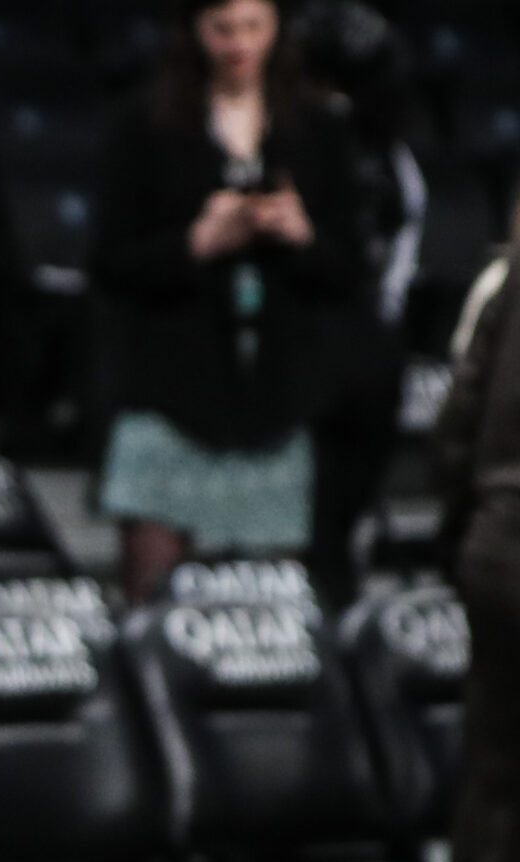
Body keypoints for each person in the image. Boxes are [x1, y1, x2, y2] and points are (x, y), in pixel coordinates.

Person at [350, 213, 520, 862]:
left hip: (499, 553)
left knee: (492, 849)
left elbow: (452, 436)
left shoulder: (502, 278)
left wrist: (476, 546)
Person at [92, 0, 366, 602]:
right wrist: (196, 242)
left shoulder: (318, 126)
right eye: (222, 29)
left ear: (276, 31)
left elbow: (352, 269)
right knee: (151, 600)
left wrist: (301, 234)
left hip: (276, 397)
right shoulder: (143, 123)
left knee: (269, 605)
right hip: (169, 394)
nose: (238, 44)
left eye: (252, 27)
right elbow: (107, 265)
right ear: (194, 32)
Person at [299, 0, 426, 610]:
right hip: (343, 353)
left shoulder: (386, 162)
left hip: (351, 356)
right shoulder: (379, 155)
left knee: (329, 538)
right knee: (322, 540)